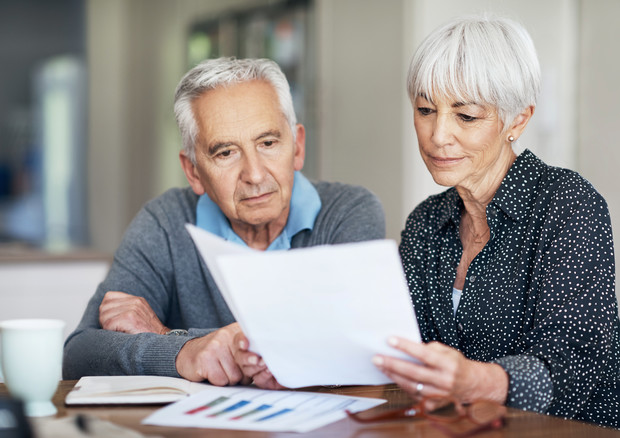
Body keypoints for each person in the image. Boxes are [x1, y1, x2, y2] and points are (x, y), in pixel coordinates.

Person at [63, 57, 385, 388]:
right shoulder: (164, 222)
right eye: (225, 153)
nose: (255, 175)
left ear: (298, 147)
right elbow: (80, 354)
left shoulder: (349, 211)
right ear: (193, 171)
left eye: (268, 143)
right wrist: (186, 352)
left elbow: (353, 342)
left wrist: (169, 336)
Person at [372, 15, 620, 428]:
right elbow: (399, 349)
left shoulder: (567, 204)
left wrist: (478, 380)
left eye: (466, 116)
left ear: (517, 121)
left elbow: (576, 365)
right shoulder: (426, 224)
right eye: (425, 110)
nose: (437, 135)